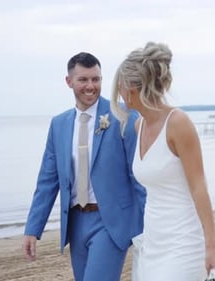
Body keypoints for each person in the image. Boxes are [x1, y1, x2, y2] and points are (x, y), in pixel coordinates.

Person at [22, 52, 145, 281]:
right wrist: (32, 229)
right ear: (69, 82)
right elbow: (47, 181)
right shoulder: (59, 125)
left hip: (110, 223)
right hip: (75, 223)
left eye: (96, 79)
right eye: (83, 80)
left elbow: (137, 175)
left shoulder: (123, 116)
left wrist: (145, 226)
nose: (91, 86)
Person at [111, 42, 215, 280]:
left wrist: (212, 246)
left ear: (132, 87)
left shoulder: (178, 123)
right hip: (153, 239)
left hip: (183, 240)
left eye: (121, 86)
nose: (119, 93)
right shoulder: (138, 124)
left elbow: (199, 186)